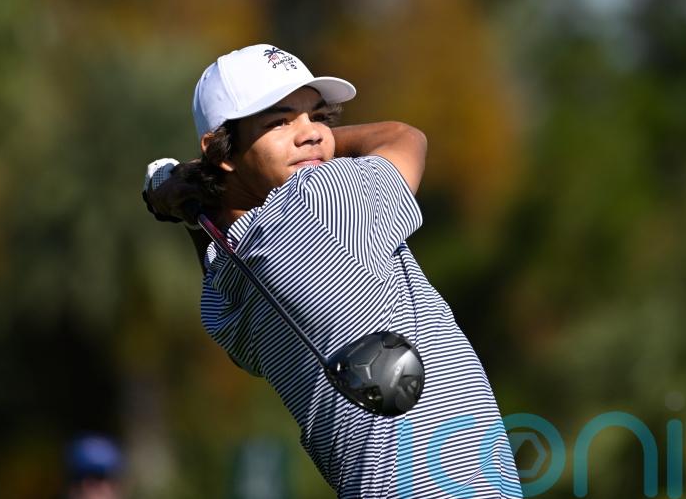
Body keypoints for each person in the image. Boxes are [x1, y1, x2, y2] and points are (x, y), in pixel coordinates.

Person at [143, 44, 522, 498]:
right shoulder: (320, 197)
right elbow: (405, 138)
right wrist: (189, 183)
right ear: (222, 149)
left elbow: (218, 238)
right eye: (280, 122)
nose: (312, 135)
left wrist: (186, 194)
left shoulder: (224, 299)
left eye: (318, 117)